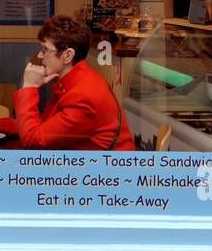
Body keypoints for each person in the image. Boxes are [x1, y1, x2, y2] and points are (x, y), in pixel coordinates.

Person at [10, 14, 135, 150]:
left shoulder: (83, 97)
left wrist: (29, 87)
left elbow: (33, 141)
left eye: (45, 49)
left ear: (67, 55)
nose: (40, 55)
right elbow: (45, 127)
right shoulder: (79, 79)